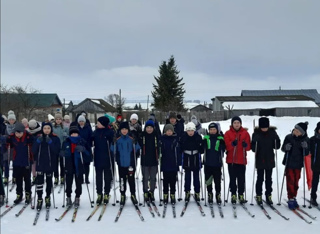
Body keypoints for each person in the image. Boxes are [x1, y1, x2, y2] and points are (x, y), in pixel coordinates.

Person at [251, 117, 281, 205]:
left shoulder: (272, 133)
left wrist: (276, 141)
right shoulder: (256, 134)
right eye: (262, 127)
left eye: (265, 127)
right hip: (260, 159)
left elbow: (277, 146)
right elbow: (253, 149)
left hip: (269, 159)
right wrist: (254, 141)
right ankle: (259, 195)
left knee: (269, 179)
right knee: (260, 178)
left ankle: (268, 195)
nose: (264, 129)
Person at [32, 122, 60, 210]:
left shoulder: (55, 138)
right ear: (42, 129)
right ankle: (39, 198)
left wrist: (51, 143)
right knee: (39, 182)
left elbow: (56, 151)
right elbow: (33, 150)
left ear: (51, 129)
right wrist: (37, 142)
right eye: (45, 128)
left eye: (48, 128)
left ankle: (48, 197)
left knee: (49, 181)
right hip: (40, 163)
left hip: (50, 164)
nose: (46, 130)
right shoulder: (38, 138)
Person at [61, 125, 91, 207]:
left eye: (75, 133)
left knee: (78, 183)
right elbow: (62, 152)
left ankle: (77, 197)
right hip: (69, 165)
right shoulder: (66, 142)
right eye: (72, 133)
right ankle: (68, 197)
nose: (74, 135)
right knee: (69, 183)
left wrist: (83, 150)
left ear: (78, 134)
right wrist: (62, 153)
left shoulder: (82, 142)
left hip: (79, 165)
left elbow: (89, 155)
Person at [281, 122, 309, 210]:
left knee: (296, 181)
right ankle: (290, 197)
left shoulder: (305, 139)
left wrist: (306, 147)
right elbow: (282, 148)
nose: (295, 132)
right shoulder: (289, 137)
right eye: (295, 130)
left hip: (298, 164)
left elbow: (307, 153)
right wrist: (286, 147)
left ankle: (294, 196)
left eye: (298, 131)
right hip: (289, 162)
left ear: (302, 133)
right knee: (290, 180)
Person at [112, 121, 141, 205]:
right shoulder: (118, 139)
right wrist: (113, 142)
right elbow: (112, 149)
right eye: (122, 129)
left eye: (126, 129)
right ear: (120, 130)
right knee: (122, 181)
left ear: (128, 130)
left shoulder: (131, 138)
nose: (124, 131)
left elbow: (138, 148)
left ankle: (133, 194)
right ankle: (122, 195)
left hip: (131, 163)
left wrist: (135, 142)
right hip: (121, 163)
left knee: (131, 180)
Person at [224, 116, 251, 204]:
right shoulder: (228, 133)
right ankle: (233, 194)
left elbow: (248, 147)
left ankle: (241, 194)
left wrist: (245, 145)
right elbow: (227, 146)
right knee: (232, 178)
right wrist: (232, 144)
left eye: (238, 123)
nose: (236, 124)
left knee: (241, 179)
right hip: (231, 160)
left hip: (241, 160)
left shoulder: (245, 133)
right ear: (232, 124)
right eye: (235, 123)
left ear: (240, 124)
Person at [6, 123, 33, 205]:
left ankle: (28, 194)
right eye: (16, 133)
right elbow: (9, 145)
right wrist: (8, 141)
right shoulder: (13, 137)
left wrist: (30, 139)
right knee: (18, 180)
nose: (18, 135)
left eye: (19, 133)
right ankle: (19, 195)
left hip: (26, 161)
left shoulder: (27, 136)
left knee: (27, 180)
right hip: (17, 161)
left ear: (23, 132)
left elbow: (33, 142)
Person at [92, 116, 114, 205]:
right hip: (98, 157)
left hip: (107, 157)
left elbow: (113, 142)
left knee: (107, 177)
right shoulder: (95, 132)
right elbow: (90, 140)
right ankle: (99, 193)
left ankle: (106, 193)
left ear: (103, 124)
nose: (97, 124)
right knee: (98, 177)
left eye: (99, 123)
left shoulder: (110, 132)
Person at [180, 122, 203, 202]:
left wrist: (201, 148)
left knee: (196, 177)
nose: (190, 132)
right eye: (189, 130)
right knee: (187, 177)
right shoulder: (183, 137)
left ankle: (197, 192)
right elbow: (180, 147)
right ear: (186, 130)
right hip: (187, 158)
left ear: (194, 130)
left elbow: (202, 148)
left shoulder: (198, 137)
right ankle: (187, 192)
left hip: (196, 158)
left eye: (192, 130)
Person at [202, 122, 225, 204]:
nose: (212, 131)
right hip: (208, 163)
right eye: (211, 129)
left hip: (217, 163)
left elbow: (224, 149)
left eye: (214, 129)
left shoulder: (220, 138)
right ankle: (209, 194)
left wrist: (223, 145)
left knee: (217, 180)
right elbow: (202, 150)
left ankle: (218, 194)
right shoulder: (206, 138)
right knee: (208, 180)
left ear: (217, 130)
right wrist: (202, 144)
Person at [138, 120, 160, 203]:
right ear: (145, 128)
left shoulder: (156, 136)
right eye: (147, 127)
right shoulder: (142, 136)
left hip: (154, 160)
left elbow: (160, 144)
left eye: (151, 128)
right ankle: (145, 192)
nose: (149, 129)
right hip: (145, 160)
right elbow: (138, 144)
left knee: (153, 178)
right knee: (145, 177)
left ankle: (152, 192)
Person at [160, 124, 181, 204]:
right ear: (165, 131)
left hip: (173, 163)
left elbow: (178, 152)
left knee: (173, 180)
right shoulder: (162, 139)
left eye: (170, 131)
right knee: (165, 180)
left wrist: (179, 162)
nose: (169, 132)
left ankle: (172, 194)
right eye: (167, 131)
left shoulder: (175, 139)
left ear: (172, 131)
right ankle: (165, 194)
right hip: (165, 163)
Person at [52, 113, 69, 186]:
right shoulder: (52, 128)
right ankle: (56, 177)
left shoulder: (65, 128)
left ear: (61, 120)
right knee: (55, 163)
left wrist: (66, 136)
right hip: (55, 148)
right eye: (57, 119)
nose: (58, 121)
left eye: (59, 119)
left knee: (62, 164)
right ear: (55, 120)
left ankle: (62, 177)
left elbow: (68, 138)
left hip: (62, 147)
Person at [77, 115, 93, 184]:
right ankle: (81, 178)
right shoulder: (77, 128)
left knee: (87, 164)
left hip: (87, 148)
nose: (81, 122)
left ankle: (86, 178)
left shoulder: (88, 128)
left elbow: (91, 137)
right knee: (80, 164)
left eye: (82, 121)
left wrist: (87, 144)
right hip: (79, 148)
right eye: (80, 121)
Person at [27, 119, 42, 186]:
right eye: (31, 127)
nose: (32, 128)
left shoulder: (39, 131)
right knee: (33, 164)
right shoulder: (28, 131)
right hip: (31, 150)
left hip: (38, 149)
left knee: (38, 164)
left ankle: (39, 177)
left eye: (33, 127)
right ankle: (34, 177)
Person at [4, 110, 17, 185]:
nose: (11, 121)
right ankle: (6, 177)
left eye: (13, 119)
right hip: (7, 147)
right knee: (6, 163)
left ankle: (14, 176)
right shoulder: (5, 127)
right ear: (8, 120)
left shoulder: (17, 126)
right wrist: (6, 138)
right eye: (10, 119)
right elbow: (3, 135)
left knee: (15, 162)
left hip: (14, 147)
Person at [309, 122, 320, 206]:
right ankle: (313, 197)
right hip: (316, 164)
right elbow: (308, 151)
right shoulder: (313, 140)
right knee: (315, 182)